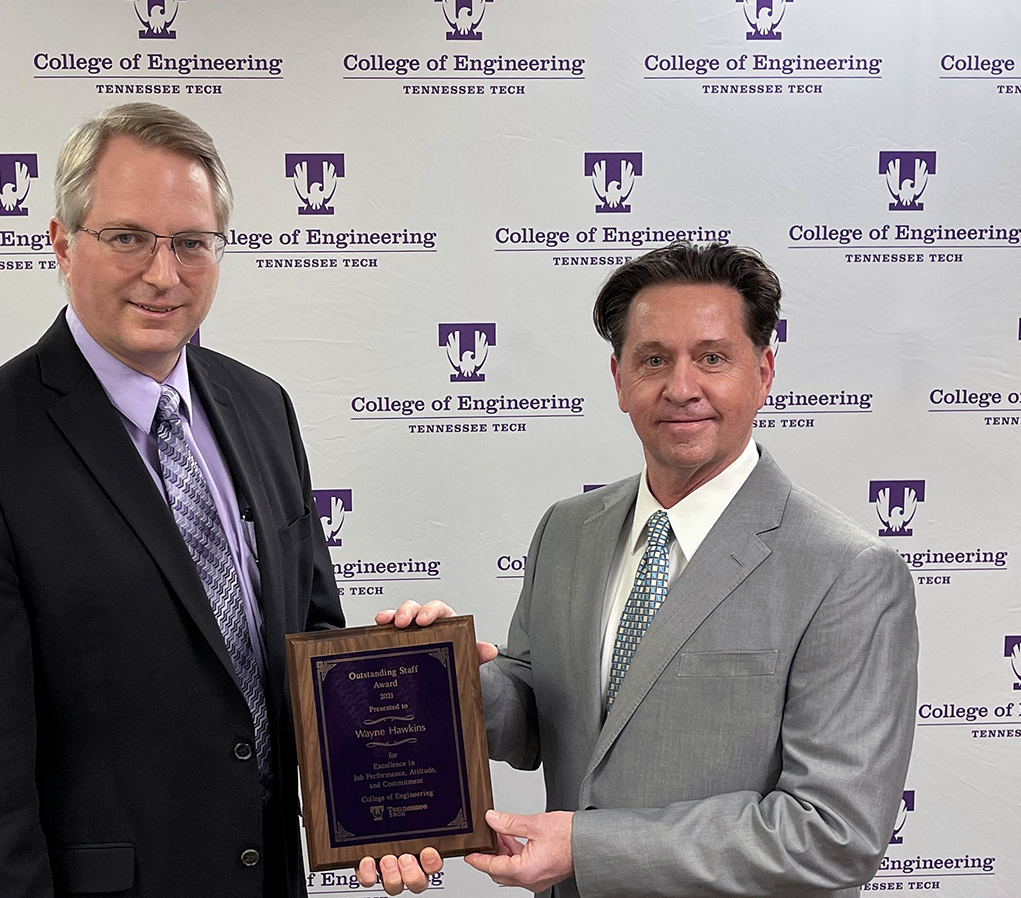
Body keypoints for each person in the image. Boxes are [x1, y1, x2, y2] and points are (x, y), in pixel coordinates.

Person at [0, 103, 343, 898]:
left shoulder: (263, 407)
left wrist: (401, 693)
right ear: (62, 243)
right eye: (128, 237)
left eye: (193, 243)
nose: (163, 274)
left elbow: (311, 642)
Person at [362, 242, 918, 897]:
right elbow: (543, 714)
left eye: (712, 358)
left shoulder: (848, 573)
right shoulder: (566, 531)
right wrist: (445, 677)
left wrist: (586, 848)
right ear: (619, 378)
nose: (682, 388)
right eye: (654, 360)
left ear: (763, 372)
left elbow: (832, 833)